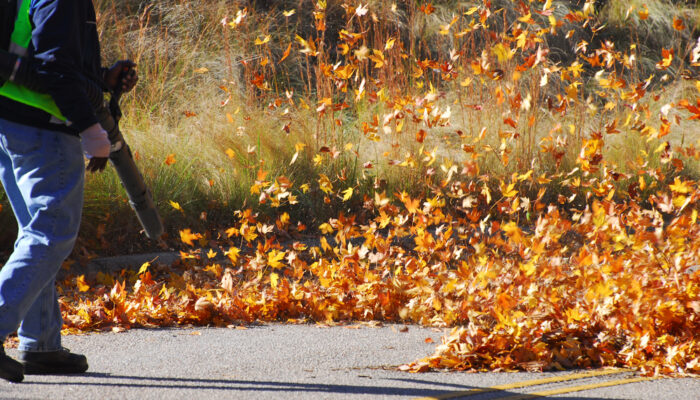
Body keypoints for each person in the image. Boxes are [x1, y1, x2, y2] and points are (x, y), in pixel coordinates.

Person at [0, 0, 137, 382]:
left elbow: (37, 50)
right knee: (51, 233)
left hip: (10, 118)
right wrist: (90, 128)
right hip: (43, 123)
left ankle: (41, 344)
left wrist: (101, 80)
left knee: (35, 232)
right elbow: (54, 67)